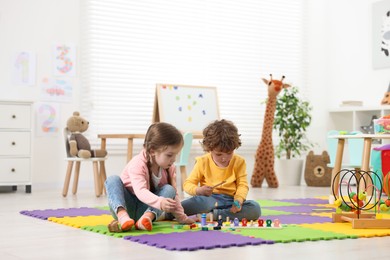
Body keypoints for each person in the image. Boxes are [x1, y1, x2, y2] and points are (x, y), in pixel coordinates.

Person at [104, 122, 195, 232]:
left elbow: (174, 195)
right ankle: (122, 216)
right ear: (152, 151)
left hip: (147, 208)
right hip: (127, 206)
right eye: (170, 155)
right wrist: (160, 202)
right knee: (112, 179)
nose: (174, 159)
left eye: (176, 155)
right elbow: (140, 191)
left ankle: (146, 219)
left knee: (169, 189)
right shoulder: (137, 164)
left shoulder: (169, 167)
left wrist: (182, 217)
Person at [182, 119, 261, 221]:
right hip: (209, 199)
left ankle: (213, 215)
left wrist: (238, 201)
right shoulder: (202, 161)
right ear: (209, 148)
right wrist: (199, 190)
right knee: (191, 204)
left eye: (229, 153)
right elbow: (188, 184)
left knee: (255, 208)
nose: (224, 158)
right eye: (219, 154)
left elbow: (243, 185)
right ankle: (166, 214)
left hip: (231, 201)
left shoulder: (239, 162)